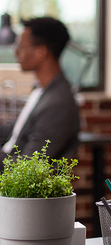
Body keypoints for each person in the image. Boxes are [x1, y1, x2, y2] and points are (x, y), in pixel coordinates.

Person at [0, 17, 81, 161]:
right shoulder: (41, 91)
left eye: (20, 47)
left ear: (41, 52)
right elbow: (17, 132)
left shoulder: (58, 104)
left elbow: (29, 165)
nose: (15, 53)